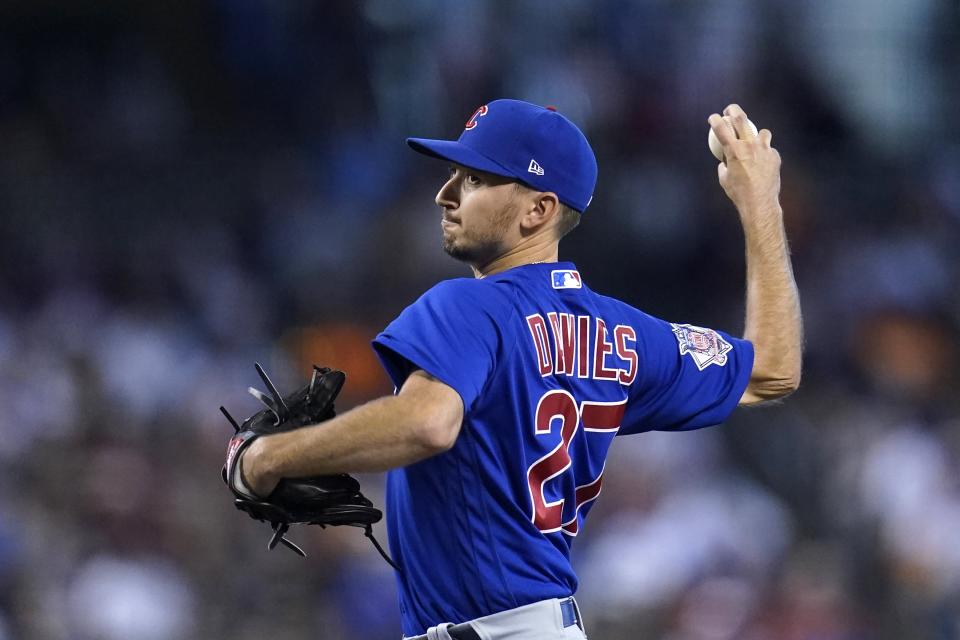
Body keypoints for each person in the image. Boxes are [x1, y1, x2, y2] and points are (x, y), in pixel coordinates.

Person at [238, 99, 802, 639]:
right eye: (453, 173)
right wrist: (761, 208)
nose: (445, 194)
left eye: (476, 179)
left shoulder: (467, 305)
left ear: (539, 210)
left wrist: (268, 459)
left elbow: (427, 423)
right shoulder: (625, 335)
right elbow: (773, 370)